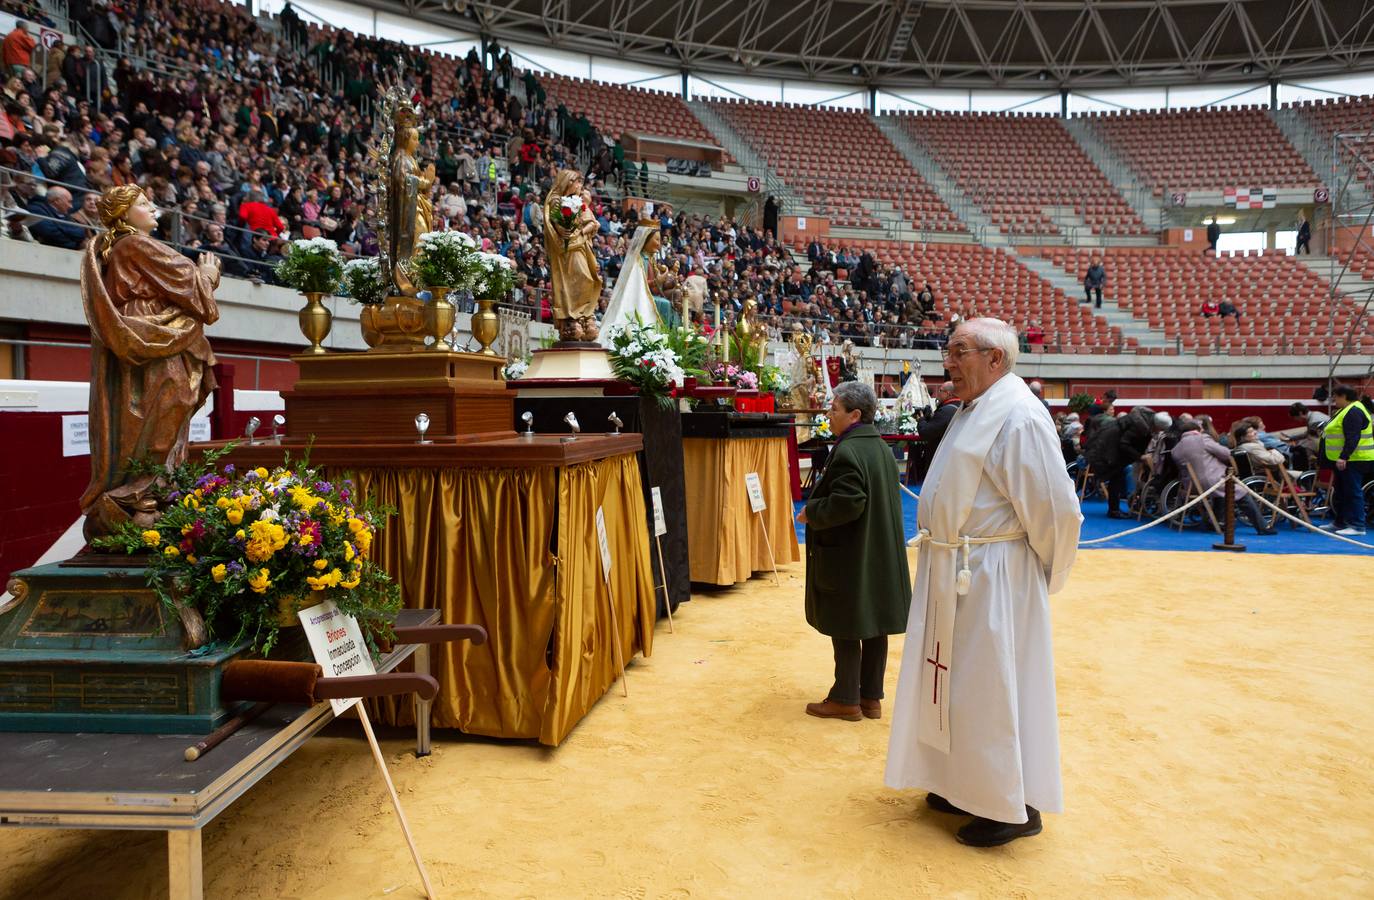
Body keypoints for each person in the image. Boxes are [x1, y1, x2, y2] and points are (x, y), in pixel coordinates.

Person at [886, 317, 1082, 848]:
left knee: (992, 690)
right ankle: (963, 784)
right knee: (956, 687)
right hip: (956, 569)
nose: (946, 363)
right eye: (948, 351)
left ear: (995, 359)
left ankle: (1013, 805)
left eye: (958, 351)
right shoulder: (974, 409)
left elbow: (1055, 509)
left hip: (994, 577)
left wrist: (1036, 572)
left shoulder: (1019, 416)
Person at [79, 186, 220, 541]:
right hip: (151, 337)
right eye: (143, 204)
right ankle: (140, 493)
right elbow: (186, 280)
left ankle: (151, 491)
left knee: (155, 411)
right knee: (163, 405)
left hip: (150, 332)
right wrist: (207, 275)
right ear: (123, 215)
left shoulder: (123, 247)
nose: (153, 208)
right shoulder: (134, 244)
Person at [796, 381, 911, 722]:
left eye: (834, 409)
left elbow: (849, 502)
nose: (828, 414)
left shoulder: (848, 451)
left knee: (846, 622)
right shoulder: (879, 448)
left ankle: (846, 698)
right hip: (879, 553)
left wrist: (812, 513)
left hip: (852, 554)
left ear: (855, 414)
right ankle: (870, 697)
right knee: (875, 622)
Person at [1170, 419, 1276, 535]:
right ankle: (1262, 527)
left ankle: (1217, 522)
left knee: (1221, 493)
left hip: (1190, 486)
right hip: (1211, 482)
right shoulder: (1203, 439)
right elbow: (1225, 453)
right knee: (1242, 494)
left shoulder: (1176, 448)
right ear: (1198, 430)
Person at [1083, 404, 1160, 519]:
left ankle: (1115, 509)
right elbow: (1124, 444)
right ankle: (1114, 510)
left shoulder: (1130, 421)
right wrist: (1139, 456)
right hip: (1110, 453)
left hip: (1107, 450)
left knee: (1117, 479)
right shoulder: (1138, 426)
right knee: (1117, 479)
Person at [1322, 385, 1372, 536]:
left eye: (1336, 397)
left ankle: (1358, 526)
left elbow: (1353, 436)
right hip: (1346, 459)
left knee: (1353, 492)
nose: (1334, 400)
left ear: (1344, 396)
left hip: (1355, 459)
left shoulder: (1354, 411)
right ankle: (1340, 522)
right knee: (1341, 491)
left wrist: (1344, 456)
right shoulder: (1345, 410)